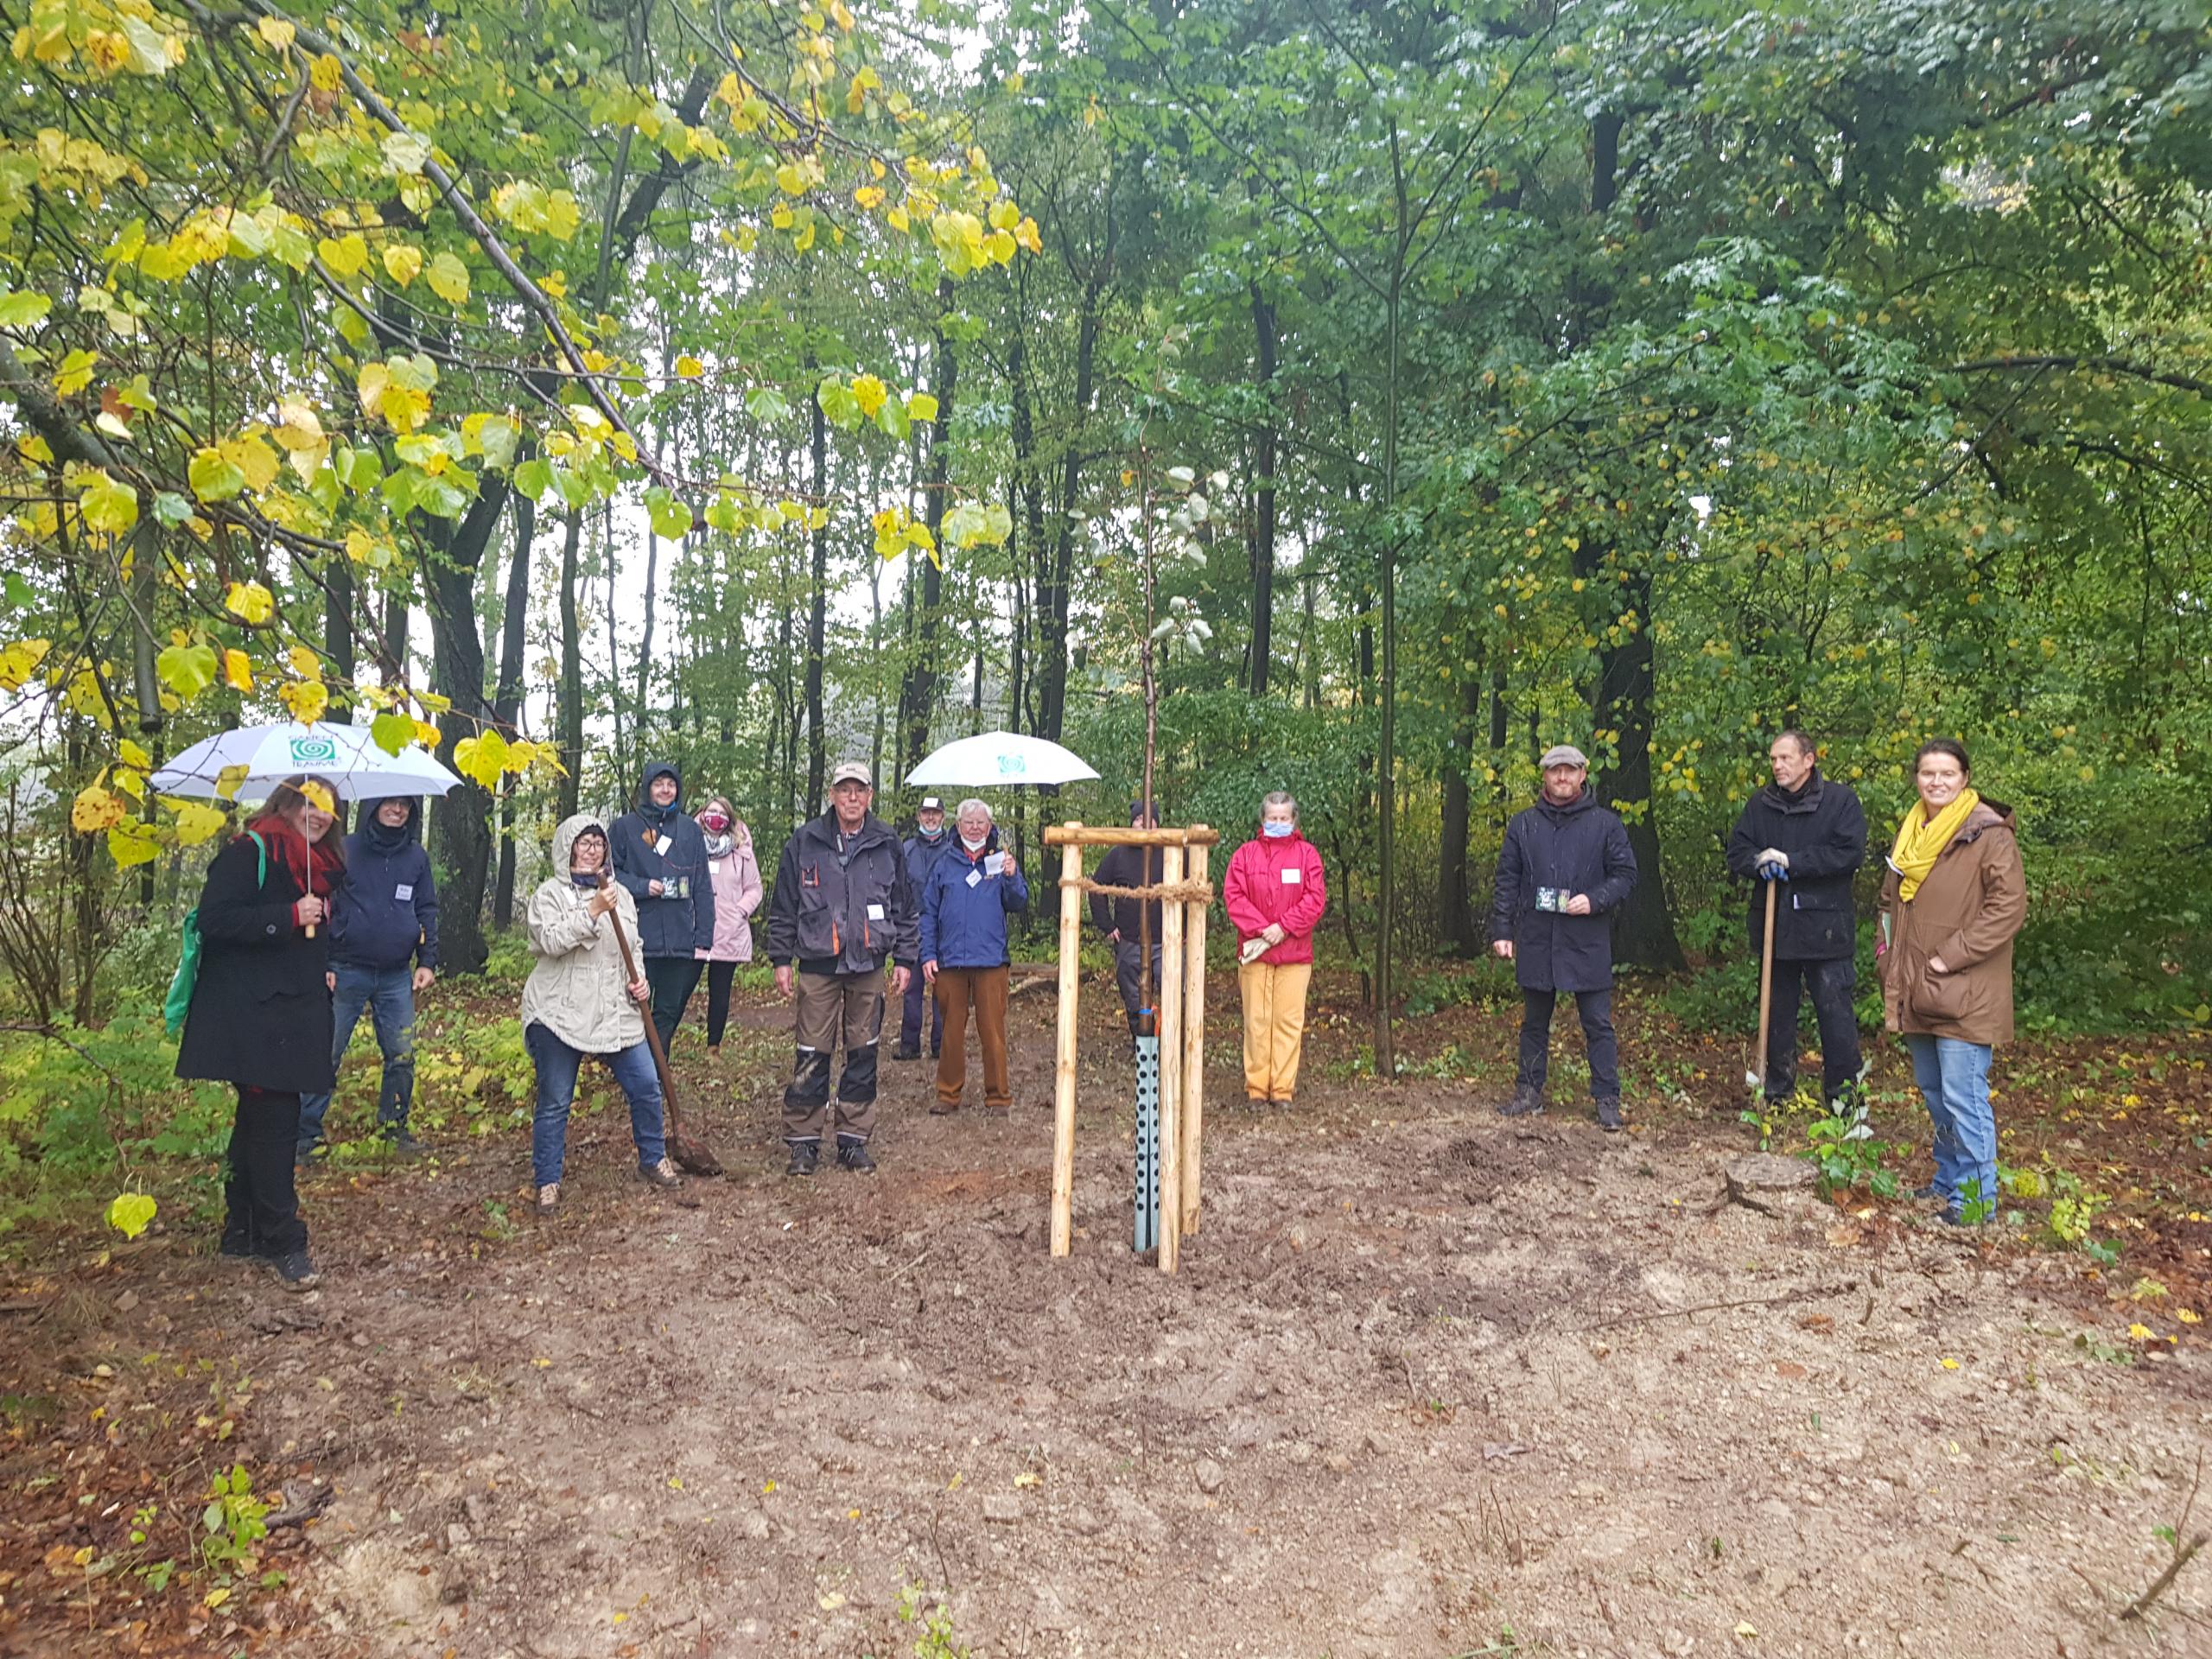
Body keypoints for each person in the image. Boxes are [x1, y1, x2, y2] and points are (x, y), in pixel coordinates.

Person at [175, 775, 345, 1290]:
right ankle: (283, 1241)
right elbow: (215, 920)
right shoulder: (251, 850)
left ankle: (241, 1230)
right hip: (251, 1015)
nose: (318, 816)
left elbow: (305, 935)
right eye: (309, 805)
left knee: (257, 1119)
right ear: (287, 802)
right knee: (276, 1120)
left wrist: (321, 959)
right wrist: (289, 916)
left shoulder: (319, 864)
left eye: (328, 809)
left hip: (290, 1009)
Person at [1876, 739, 2025, 1226]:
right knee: (1935, 1092)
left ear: (1964, 778)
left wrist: (1949, 957)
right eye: (1927, 773)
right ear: (1916, 778)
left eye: (1946, 773)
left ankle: (1977, 1201)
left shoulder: (1988, 834)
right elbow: (1887, 904)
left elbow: (2008, 909)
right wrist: (1884, 952)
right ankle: (1948, 1180)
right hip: (1915, 987)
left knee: (1964, 1095)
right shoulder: (1911, 833)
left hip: (1964, 989)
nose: (1936, 782)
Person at [521, 813, 683, 1213]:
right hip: (561, 1010)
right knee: (556, 1099)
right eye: (584, 843)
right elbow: (551, 941)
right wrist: (592, 909)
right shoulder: (549, 896)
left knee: (646, 1085)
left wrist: (640, 981)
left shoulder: (621, 894)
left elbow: (634, 944)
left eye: (598, 844)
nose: (592, 850)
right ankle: (547, 1181)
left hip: (615, 1008)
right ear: (568, 847)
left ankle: (652, 1158)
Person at [766, 761, 917, 1175]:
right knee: (811, 1053)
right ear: (832, 794)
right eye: (844, 789)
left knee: (863, 1052)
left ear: (870, 796)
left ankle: (853, 1139)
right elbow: (783, 906)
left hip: (869, 963)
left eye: (859, 790)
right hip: (818, 963)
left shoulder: (887, 842)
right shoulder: (806, 841)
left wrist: (906, 959)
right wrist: (781, 958)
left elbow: (905, 907)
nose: (852, 797)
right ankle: (803, 1142)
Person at [1491, 745, 1637, 1132]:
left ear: (1583, 775)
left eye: (1569, 771)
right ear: (1544, 776)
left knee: (1597, 1023)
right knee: (1534, 1022)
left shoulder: (1605, 825)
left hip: (1586, 940)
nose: (1562, 777)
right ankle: (1528, 1092)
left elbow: (1625, 875)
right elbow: (1507, 880)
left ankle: (1607, 1099)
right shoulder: (1523, 825)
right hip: (1538, 938)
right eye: (1555, 771)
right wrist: (1503, 930)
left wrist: (1594, 899)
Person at [1725, 731, 1868, 1119]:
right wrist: (1758, 862)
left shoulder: (1840, 802)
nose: (1777, 766)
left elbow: (1848, 854)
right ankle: (1776, 1095)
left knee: (1835, 1017)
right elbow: (1737, 850)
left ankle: (1846, 1104)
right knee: (1776, 1017)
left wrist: (1793, 862)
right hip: (1776, 929)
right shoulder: (1761, 804)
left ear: (1809, 760)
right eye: (1773, 759)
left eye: (1785, 758)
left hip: (1826, 931)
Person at [297, 796, 439, 1163]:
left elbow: (426, 909)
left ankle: (394, 1128)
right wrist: (321, 963)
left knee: (402, 1054)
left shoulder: (416, 857)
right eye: (390, 804)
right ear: (374, 806)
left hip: (396, 974)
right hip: (345, 969)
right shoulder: (345, 850)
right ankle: (304, 1136)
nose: (398, 810)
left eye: (405, 805)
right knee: (325, 1051)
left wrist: (427, 961)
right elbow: (322, 906)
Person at [919, 799, 1029, 1115]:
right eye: (969, 822)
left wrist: (1012, 875)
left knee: (993, 1032)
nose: (976, 827)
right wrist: (928, 954)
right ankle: (947, 1095)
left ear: (990, 826)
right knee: (950, 1032)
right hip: (950, 961)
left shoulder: (999, 861)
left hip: (992, 961)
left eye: (982, 822)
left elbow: (1018, 902)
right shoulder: (943, 864)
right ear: (957, 826)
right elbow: (928, 914)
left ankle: (998, 1098)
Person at [1223, 792, 1327, 1106]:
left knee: (1288, 1022)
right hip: (1255, 953)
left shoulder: (1308, 855)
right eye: (1272, 818)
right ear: (1263, 819)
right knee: (1256, 1021)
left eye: (1284, 818)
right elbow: (1234, 897)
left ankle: (1282, 1090)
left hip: (1295, 954)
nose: (1278, 823)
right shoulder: (1244, 855)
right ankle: (1256, 1089)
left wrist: (1283, 927)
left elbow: (1315, 899)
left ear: (1294, 820)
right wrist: (1263, 931)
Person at [608, 760, 716, 1054]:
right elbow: (608, 875)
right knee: (634, 1009)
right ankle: (637, 1070)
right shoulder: (625, 828)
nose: (666, 790)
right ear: (647, 788)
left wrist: (704, 935)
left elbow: (702, 884)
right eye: (659, 784)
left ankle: (657, 1074)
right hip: (639, 939)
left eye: (671, 785)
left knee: (668, 1013)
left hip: (680, 940)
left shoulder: (690, 830)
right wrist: (644, 887)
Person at [692, 795, 763, 1063]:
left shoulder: (742, 851)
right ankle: (661, 1044)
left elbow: (754, 887)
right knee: (680, 988)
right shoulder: (689, 845)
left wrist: (740, 911)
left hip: (729, 932)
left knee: (720, 991)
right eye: (711, 811)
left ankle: (713, 1047)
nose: (715, 817)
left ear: (729, 819)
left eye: (721, 813)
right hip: (694, 931)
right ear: (702, 814)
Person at [1090, 799, 1163, 1046]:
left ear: (1157, 823)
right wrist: (1107, 925)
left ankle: (1169, 1043)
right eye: (1138, 820)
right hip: (1129, 938)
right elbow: (1096, 887)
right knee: (1132, 994)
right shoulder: (1118, 854)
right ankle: (1142, 1043)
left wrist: (1184, 928)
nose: (1143, 824)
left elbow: (1190, 889)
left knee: (1174, 992)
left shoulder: (1172, 851)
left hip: (1166, 940)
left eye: (1149, 819)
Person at [894, 797, 952, 1060]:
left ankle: (940, 1045)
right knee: (912, 988)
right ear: (918, 816)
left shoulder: (952, 851)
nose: (931, 818)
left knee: (943, 990)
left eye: (936, 813)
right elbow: (896, 890)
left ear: (943, 817)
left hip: (944, 931)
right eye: (926, 813)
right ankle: (909, 1045)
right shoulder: (905, 850)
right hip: (912, 929)